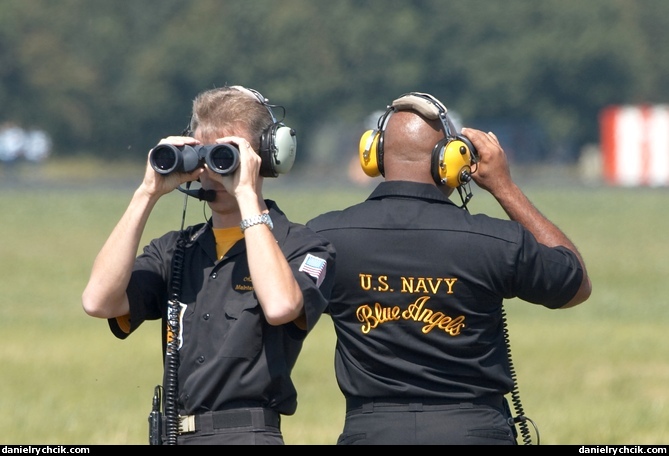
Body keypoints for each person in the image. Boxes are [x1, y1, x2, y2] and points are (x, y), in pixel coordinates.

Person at [306, 92, 592, 445]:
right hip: (472, 430)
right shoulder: (493, 240)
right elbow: (574, 285)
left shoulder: (325, 238)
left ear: (375, 155)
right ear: (452, 161)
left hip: (372, 431)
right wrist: (504, 187)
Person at [82, 85, 335, 445]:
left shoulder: (302, 247)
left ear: (267, 154)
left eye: (227, 154)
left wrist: (246, 194)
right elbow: (98, 301)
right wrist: (147, 193)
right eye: (206, 154)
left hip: (247, 434)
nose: (213, 169)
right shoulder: (176, 249)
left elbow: (281, 306)